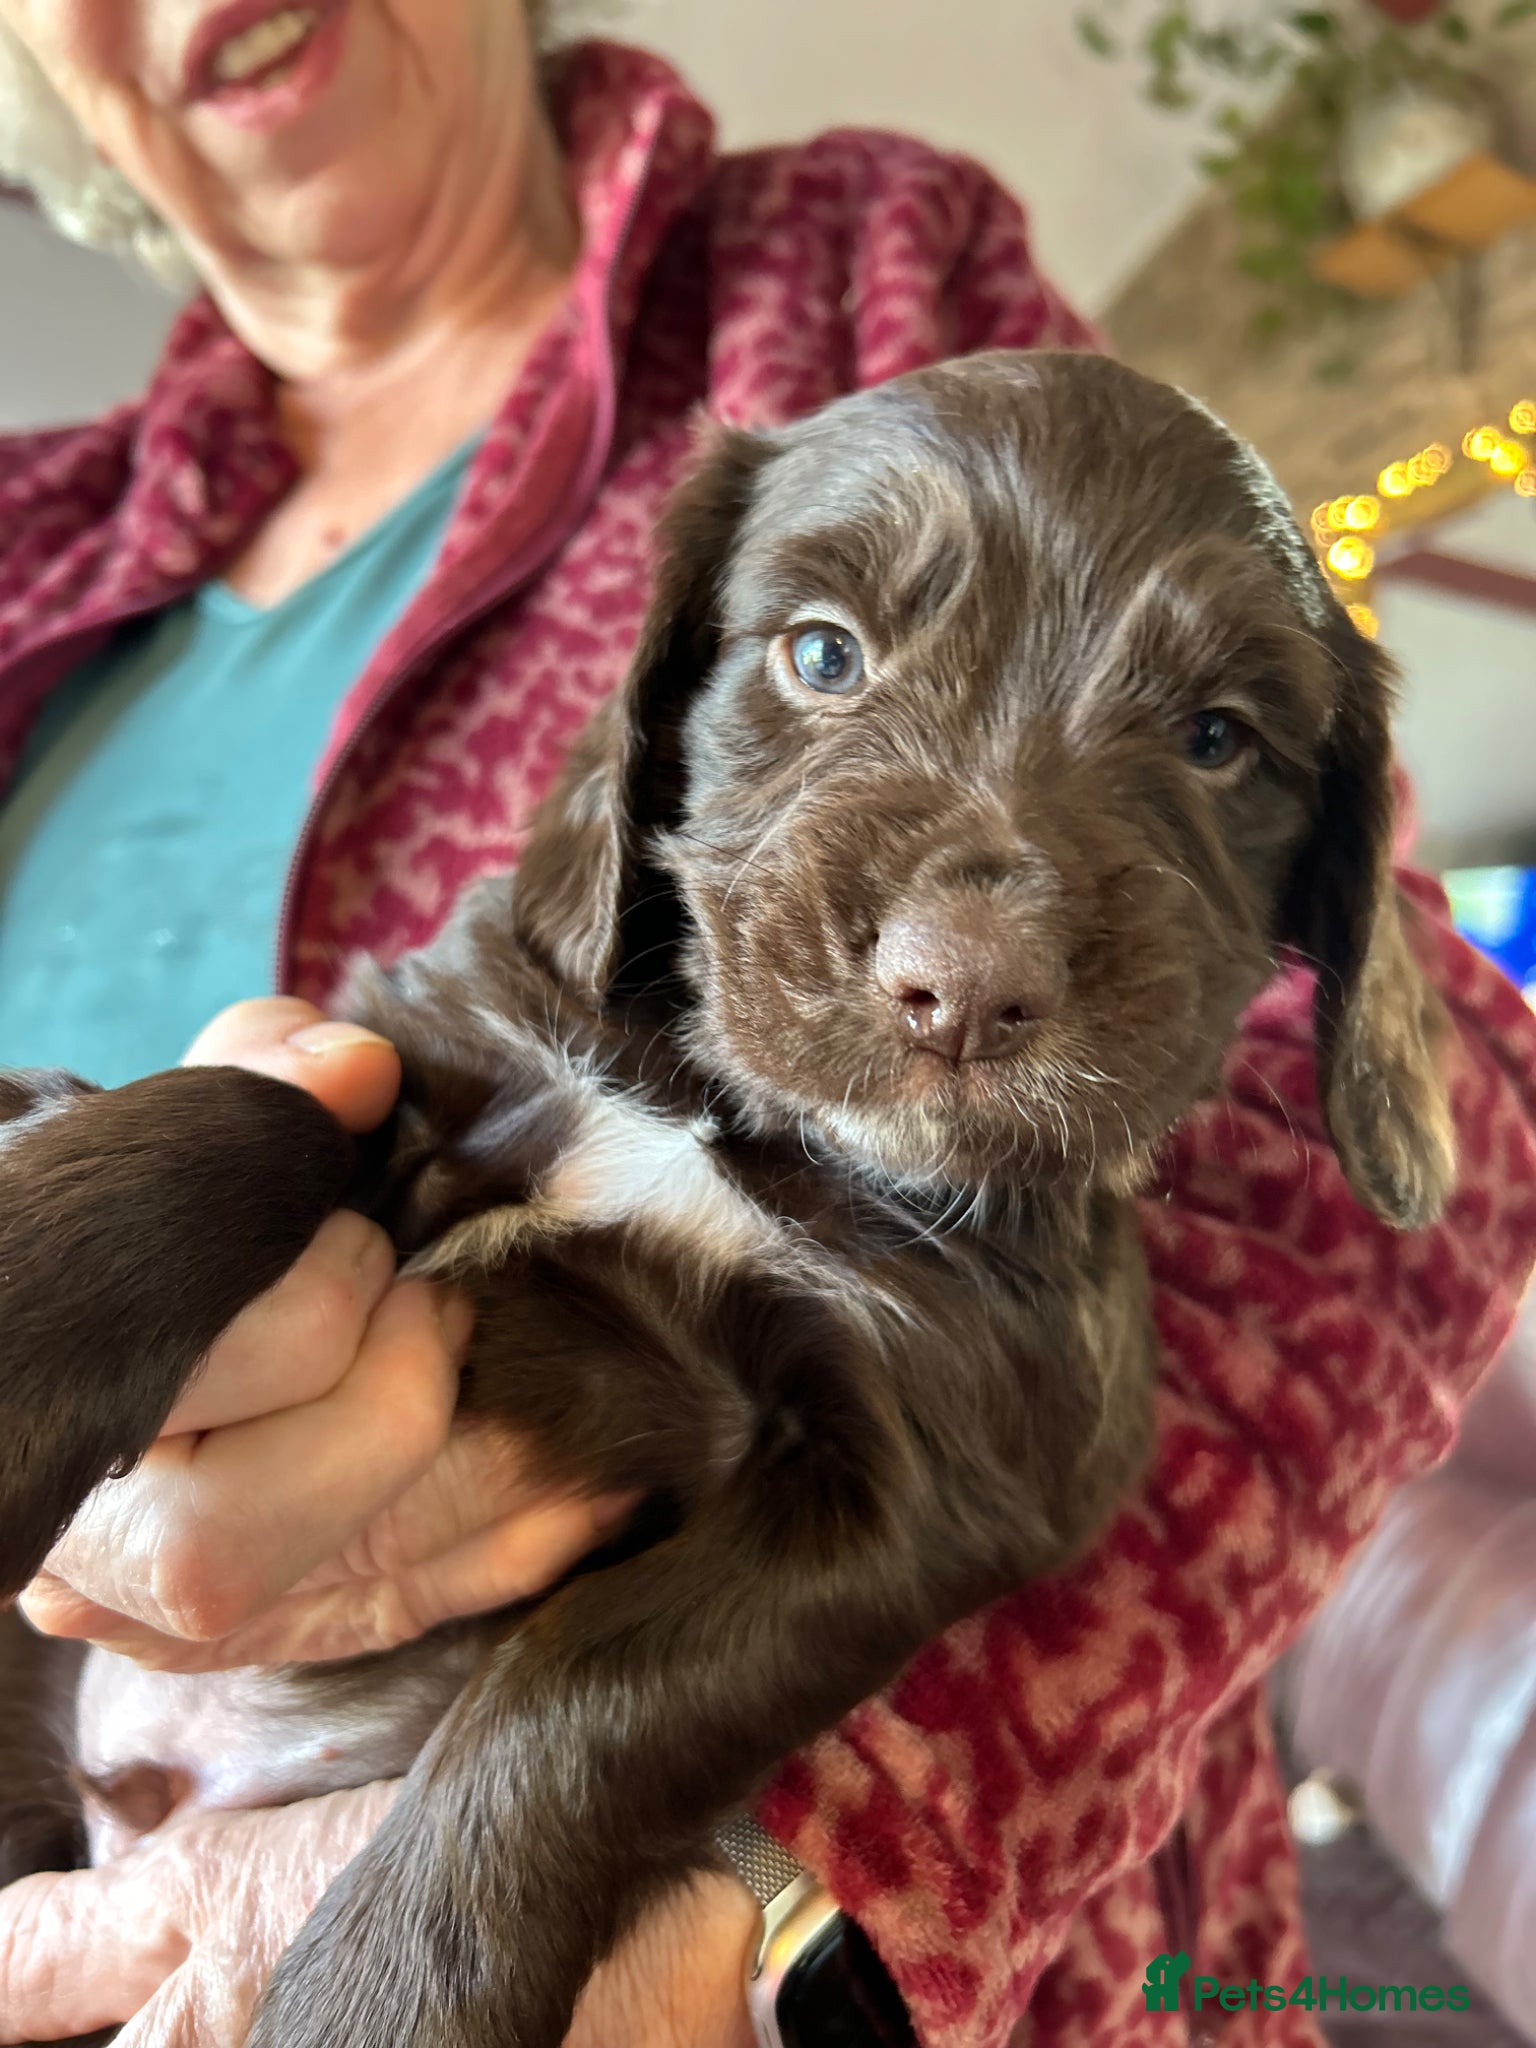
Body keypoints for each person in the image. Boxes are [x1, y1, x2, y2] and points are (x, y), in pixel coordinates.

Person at [0, 4, 1533, 2044]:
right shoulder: (33, 543)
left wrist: (787, 1894)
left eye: (1216, 733)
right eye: (823, 652)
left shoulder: (852, 270)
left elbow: (1437, 1138)